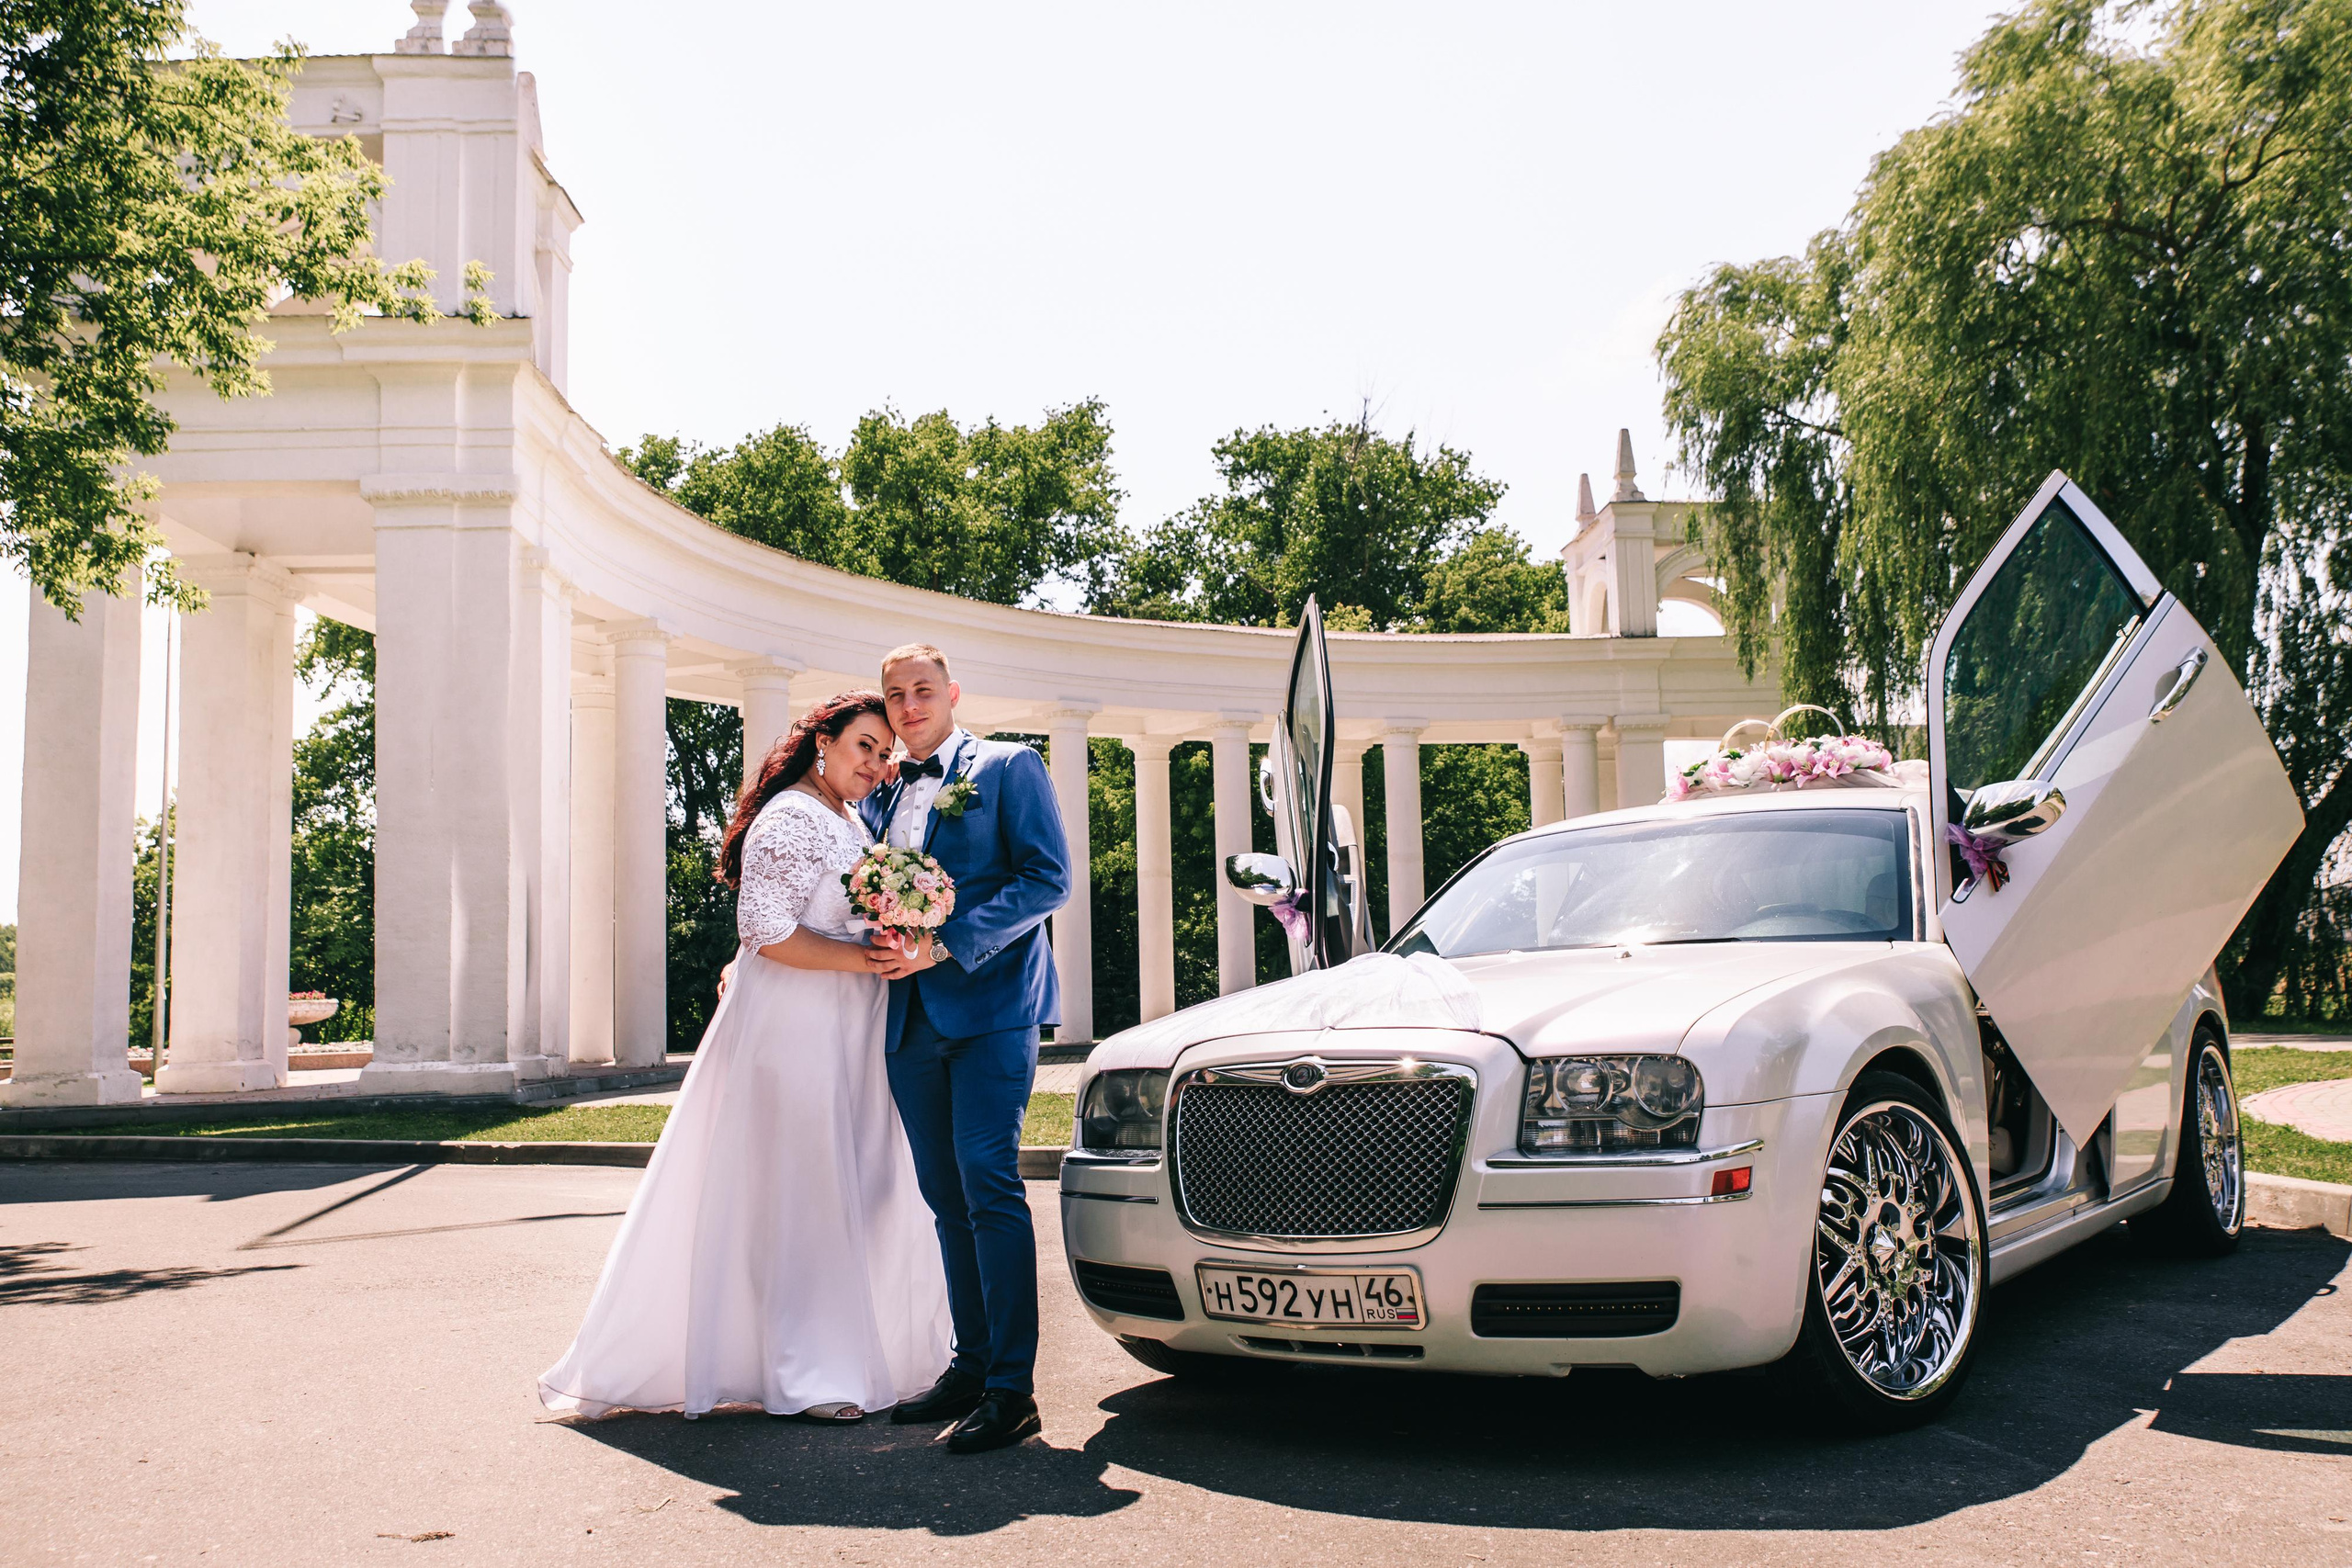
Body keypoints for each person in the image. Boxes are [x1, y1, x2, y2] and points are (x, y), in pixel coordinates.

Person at [538, 692, 950, 1423]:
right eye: (864, 745)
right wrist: (865, 961)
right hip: (797, 1029)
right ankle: (809, 1373)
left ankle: (856, 1351)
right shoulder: (790, 815)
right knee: (805, 1192)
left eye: (885, 753)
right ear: (822, 741)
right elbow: (767, 930)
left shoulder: (850, 819)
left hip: (851, 1029)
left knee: (857, 1186)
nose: (876, 764)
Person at [861, 644, 1072, 1454]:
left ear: (952, 693)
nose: (909, 704)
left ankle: (1012, 1390)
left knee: (988, 1180)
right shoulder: (884, 792)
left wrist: (945, 944)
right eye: (894, 694)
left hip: (992, 1006)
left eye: (922, 689)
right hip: (908, 1018)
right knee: (945, 1196)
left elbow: (1047, 878)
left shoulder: (1010, 766)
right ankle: (971, 1365)